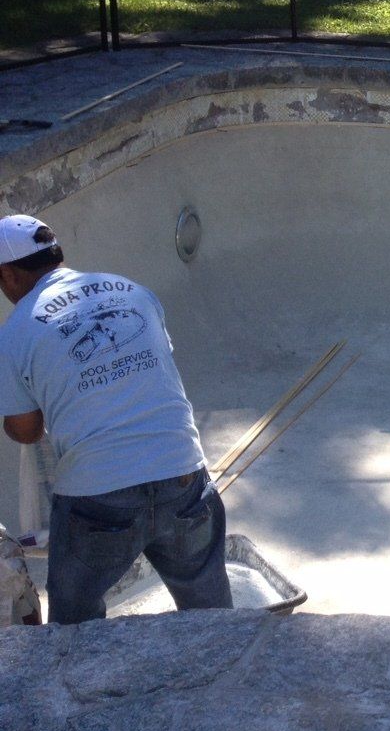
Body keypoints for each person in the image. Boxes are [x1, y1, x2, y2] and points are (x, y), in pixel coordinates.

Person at [0, 214, 230, 624]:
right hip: (183, 476)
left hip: (97, 499)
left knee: (74, 629)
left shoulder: (15, 331)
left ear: (10, 274)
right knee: (214, 619)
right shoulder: (135, 293)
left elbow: (25, 431)